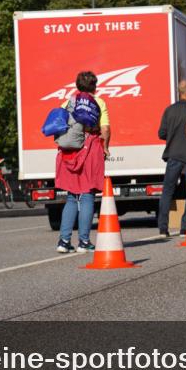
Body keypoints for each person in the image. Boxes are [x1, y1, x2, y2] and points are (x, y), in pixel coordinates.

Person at [55, 71, 110, 254]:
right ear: (94, 86)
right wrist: (106, 147)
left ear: (77, 85)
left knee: (71, 196)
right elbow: (105, 129)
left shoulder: (67, 102)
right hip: (89, 150)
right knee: (87, 195)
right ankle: (84, 242)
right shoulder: (98, 102)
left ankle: (64, 241)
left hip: (68, 152)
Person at [157, 80, 186, 237]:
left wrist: (173, 136)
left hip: (173, 155)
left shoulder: (169, 110)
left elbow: (161, 133)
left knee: (167, 191)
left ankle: (163, 228)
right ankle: (184, 228)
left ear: (179, 92)